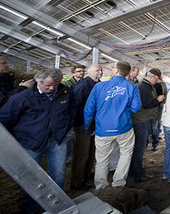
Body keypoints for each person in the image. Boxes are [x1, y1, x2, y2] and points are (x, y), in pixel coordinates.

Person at [0, 68, 74, 213]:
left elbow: (72, 112)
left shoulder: (65, 93)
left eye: (56, 84)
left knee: (58, 174)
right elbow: (5, 118)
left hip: (56, 140)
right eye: (48, 85)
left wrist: (64, 129)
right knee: (31, 178)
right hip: (31, 143)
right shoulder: (22, 98)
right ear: (38, 82)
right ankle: (30, 208)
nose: (52, 88)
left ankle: (57, 207)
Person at [84, 61, 141, 189]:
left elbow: (89, 109)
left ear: (116, 71)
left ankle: (101, 186)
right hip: (123, 127)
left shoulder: (99, 87)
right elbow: (136, 107)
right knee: (125, 154)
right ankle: (119, 184)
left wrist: (89, 127)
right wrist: (124, 110)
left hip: (102, 129)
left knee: (102, 159)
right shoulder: (132, 87)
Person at [70, 64, 103, 190]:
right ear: (89, 73)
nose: (99, 72)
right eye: (97, 70)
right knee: (81, 153)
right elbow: (77, 106)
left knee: (91, 151)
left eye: (101, 70)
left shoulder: (98, 84)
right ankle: (77, 181)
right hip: (84, 124)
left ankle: (87, 174)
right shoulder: (83, 85)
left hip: (94, 123)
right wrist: (86, 125)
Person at [130, 68, 165, 183]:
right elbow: (146, 104)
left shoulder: (146, 86)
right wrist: (158, 100)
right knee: (140, 147)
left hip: (143, 119)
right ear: (152, 77)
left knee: (141, 145)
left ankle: (135, 169)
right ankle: (138, 173)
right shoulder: (144, 87)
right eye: (156, 79)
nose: (157, 81)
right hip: (142, 120)